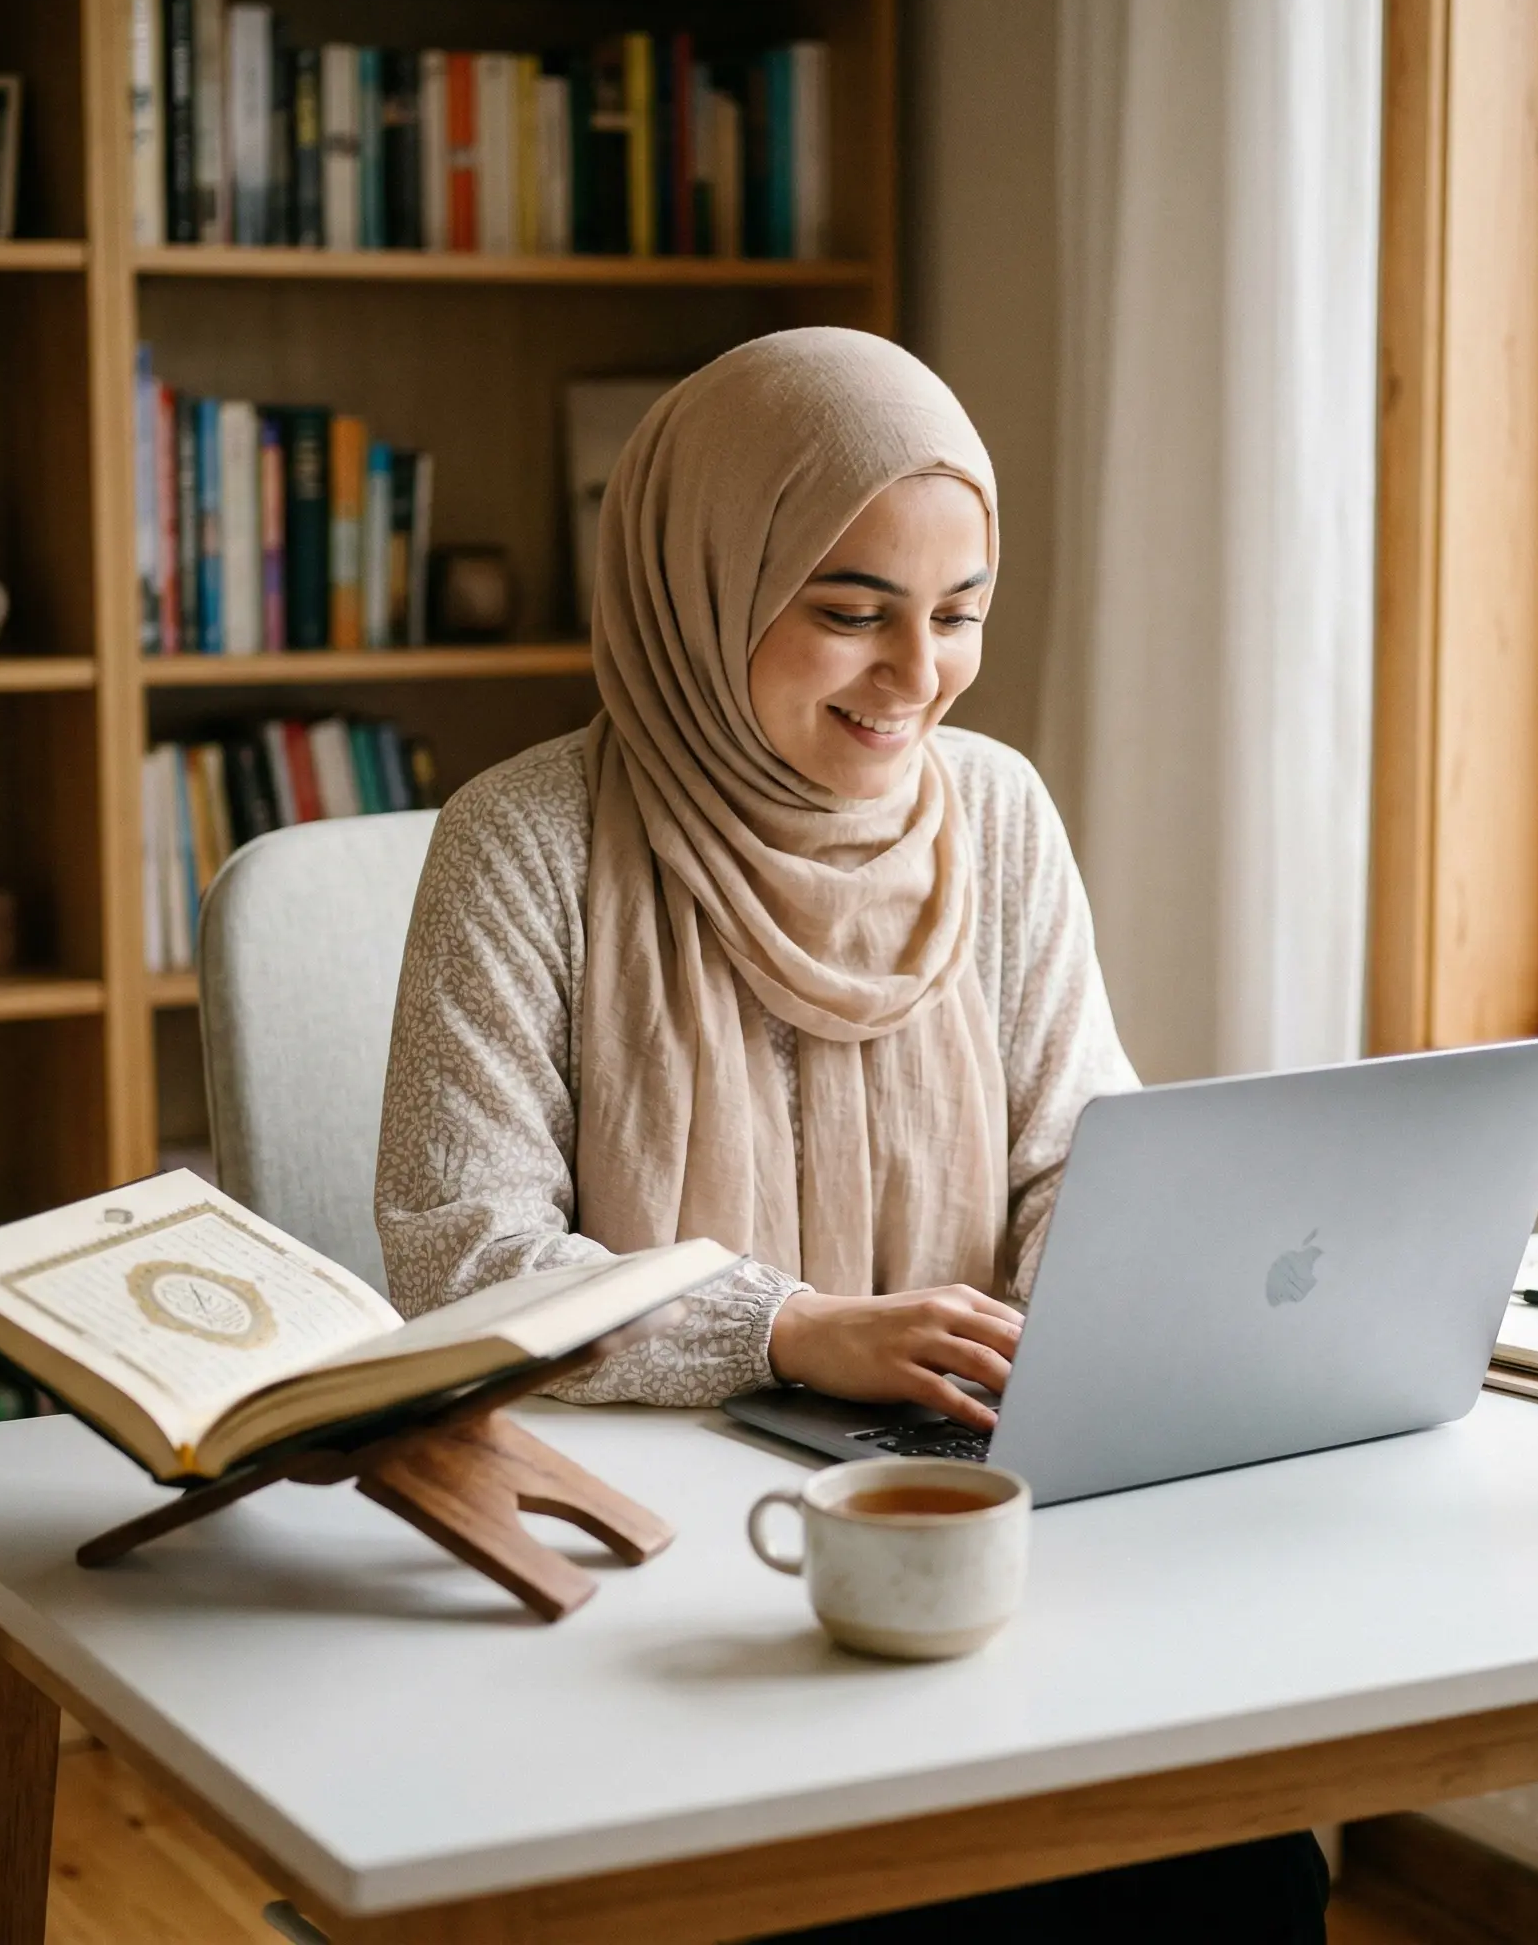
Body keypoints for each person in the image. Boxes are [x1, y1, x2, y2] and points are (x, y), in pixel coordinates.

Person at [376, 328, 1330, 1941]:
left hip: (957, 1514)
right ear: (704, 580)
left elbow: (1077, 1147)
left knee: (1243, 1863)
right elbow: (462, 1260)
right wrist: (798, 1331)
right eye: (849, 610)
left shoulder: (1001, 815)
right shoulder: (522, 843)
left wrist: (1084, 1308)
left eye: (959, 615)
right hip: (649, 1570)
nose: (918, 678)